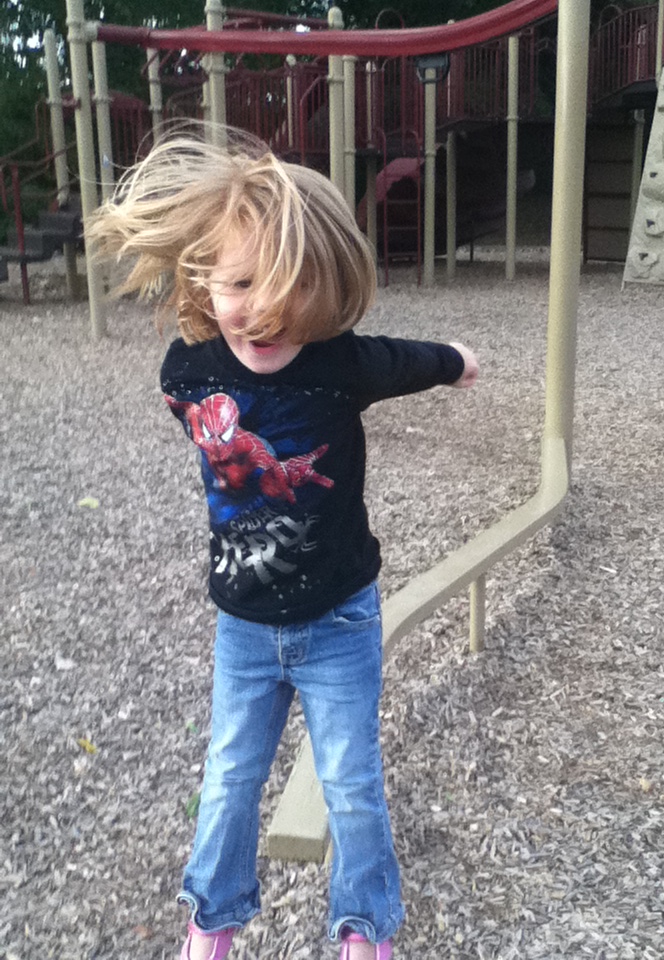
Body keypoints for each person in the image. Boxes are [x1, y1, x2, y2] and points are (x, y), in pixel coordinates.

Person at [86, 124, 479, 960]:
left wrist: (453, 360)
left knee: (351, 784)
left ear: (328, 289)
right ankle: (212, 919)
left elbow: (401, 360)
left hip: (339, 621)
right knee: (229, 778)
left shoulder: (340, 365)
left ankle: (363, 928)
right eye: (239, 283)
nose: (262, 308)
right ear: (204, 280)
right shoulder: (188, 371)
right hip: (244, 627)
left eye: (289, 287)